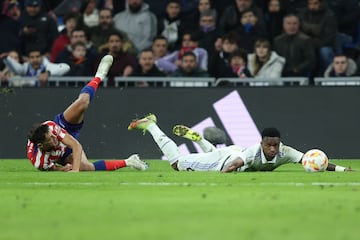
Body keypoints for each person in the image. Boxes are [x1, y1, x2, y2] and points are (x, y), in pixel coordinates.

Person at [26, 55, 148, 172]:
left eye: (52, 135)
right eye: (50, 140)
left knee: (83, 102)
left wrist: (74, 170)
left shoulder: (51, 128)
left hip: (64, 127)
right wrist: (63, 168)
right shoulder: (39, 161)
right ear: (41, 145)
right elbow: (53, 168)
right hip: (64, 155)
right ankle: (129, 161)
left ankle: (98, 77)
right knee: (87, 167)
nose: (54, 138)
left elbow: (76, 145)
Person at [128, 114, 351, 172]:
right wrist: (224, 177)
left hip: (233, 150)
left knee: (215, 155)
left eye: (276, 145)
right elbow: (232, 165)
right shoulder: (254, 152)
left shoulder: (286, 152)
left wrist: (341, 169)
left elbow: (312, 160)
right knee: (176, 163)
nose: (273, 149)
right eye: (269, 145)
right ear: (262, 143)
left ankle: (202, 141)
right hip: (227, 158)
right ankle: (151, 125)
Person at [273, 14, 316, 78]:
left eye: (294, 23)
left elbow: (311, 60)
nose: (292, 26)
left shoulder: (306, 40)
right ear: (283, 25)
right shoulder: (277, 40)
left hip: (300, 74)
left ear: (299, 25)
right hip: (281, 74)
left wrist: (297, 69)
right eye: (288, 23)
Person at [3, 48, 70, 87]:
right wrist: (6, 58)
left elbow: (66, 67)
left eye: (37, 57)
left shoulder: (47, 66)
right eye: (32, 57)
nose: (35, 59)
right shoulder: (25, 68)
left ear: (42, 57)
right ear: (28, 59)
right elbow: (16, 69)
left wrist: (48, 73)